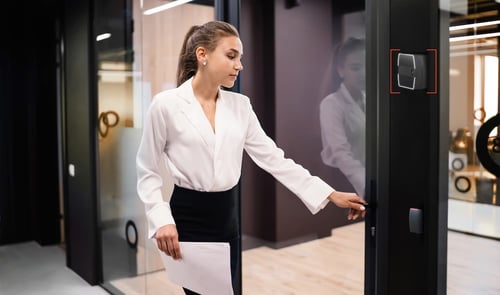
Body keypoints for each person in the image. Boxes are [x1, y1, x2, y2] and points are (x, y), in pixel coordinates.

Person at [136, 21, 366, 295]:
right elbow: (147, 169)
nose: (239, 65)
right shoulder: (166, 105)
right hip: (187, 219)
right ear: (202, 55)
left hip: (226, 218)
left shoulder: (240, 106)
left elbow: (274, 159)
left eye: (240, 58)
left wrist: (328, 194)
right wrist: (161, 218)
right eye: (231, 56)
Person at [319, 37, 366, 197]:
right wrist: (366, 185)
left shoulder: (370, 100)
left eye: (368, 67)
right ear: (340, 70)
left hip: (367, 177)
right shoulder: (331, 104)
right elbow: (340, 153)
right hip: (342, 181)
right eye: (356, 68)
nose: (363, 74)